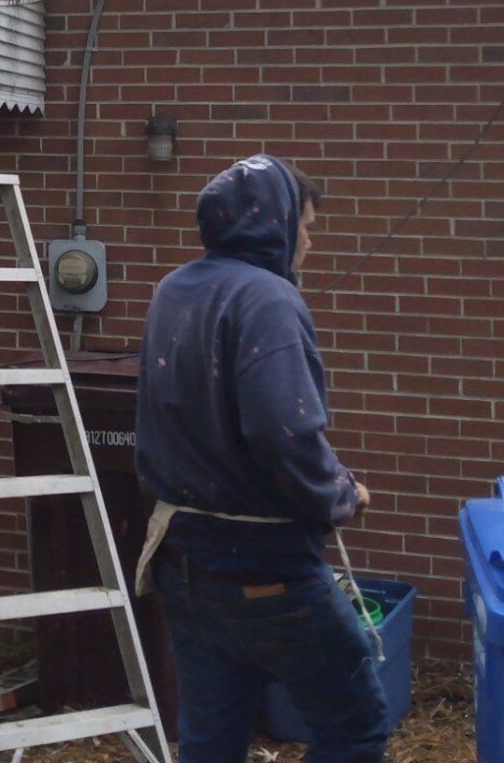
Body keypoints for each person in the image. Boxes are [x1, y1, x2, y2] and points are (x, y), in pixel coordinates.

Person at [133, 154, 387, 763]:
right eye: (306, 225)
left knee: (211, 740)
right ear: (273, 224)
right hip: (265, 570)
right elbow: (283, 433)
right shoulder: (268, 299)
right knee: (356, 727)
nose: (309, 241)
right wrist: (341, 493)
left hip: (182, 561)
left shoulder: (174, 288)